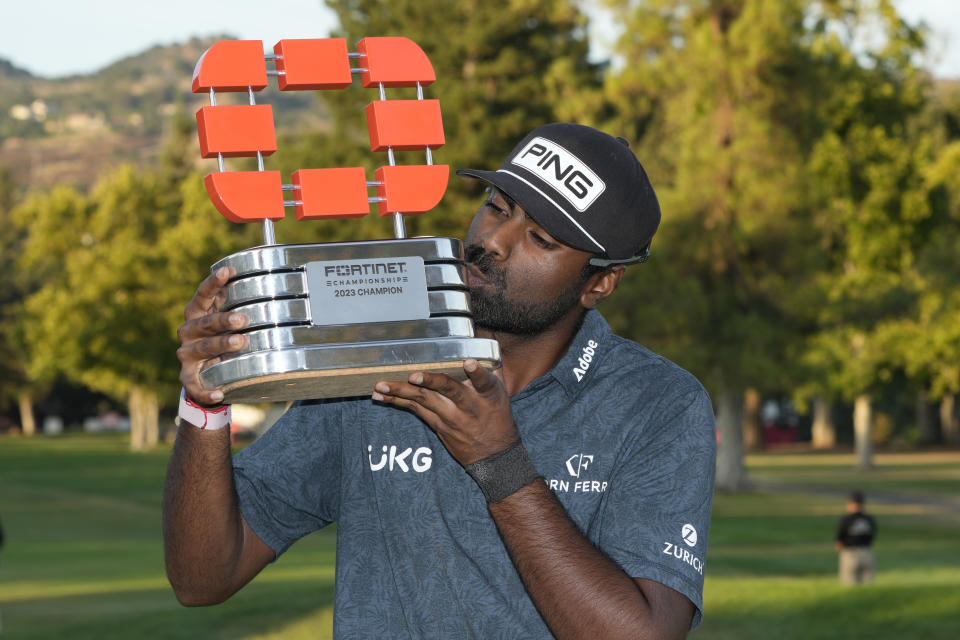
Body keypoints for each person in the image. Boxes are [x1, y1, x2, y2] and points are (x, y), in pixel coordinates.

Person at [164, 123, 717, 639]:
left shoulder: (659, 403)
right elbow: (203, 578)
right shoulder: (375, 356)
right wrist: (205, 402)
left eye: (541, 239)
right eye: (497, 207)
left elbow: (644, 631)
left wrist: (499, 461)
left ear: (600, 283)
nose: (494, 241)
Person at [835, 490, 877, 585]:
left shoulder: (846, 519)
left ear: (851, 503)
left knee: (850, 583)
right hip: (867, 552)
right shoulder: (869, 519)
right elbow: (872, 536)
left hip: (850, 553)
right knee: (868, 583)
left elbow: (839, 540)